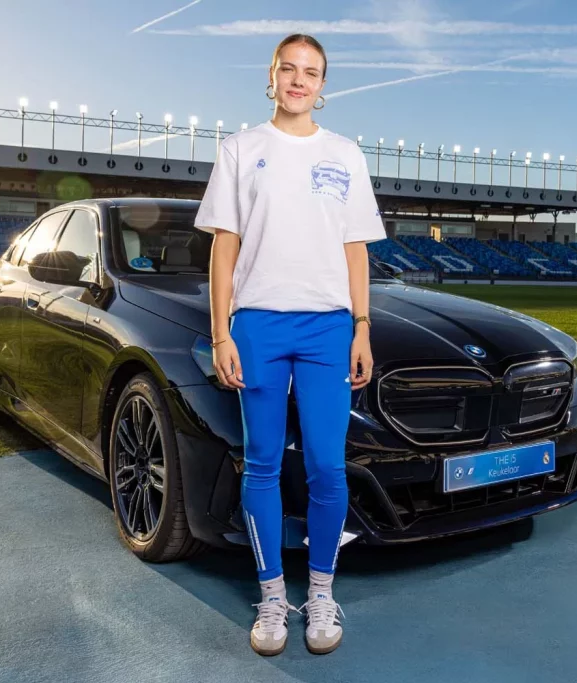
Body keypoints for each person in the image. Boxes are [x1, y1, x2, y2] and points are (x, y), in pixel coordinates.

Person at [193, 33, 385, 656]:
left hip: (329, 327)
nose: (299, 80)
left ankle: (322, 592)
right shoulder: (240, 149)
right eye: (289, 69)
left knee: (329, 466)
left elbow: (355, 248)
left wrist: (361, 326)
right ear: (271, 76)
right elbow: (224, 250)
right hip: (258, 327)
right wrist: (222, 332)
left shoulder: (345, 154)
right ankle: (273, 596)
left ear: (324, 86)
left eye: (312, 72)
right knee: (264, 464)